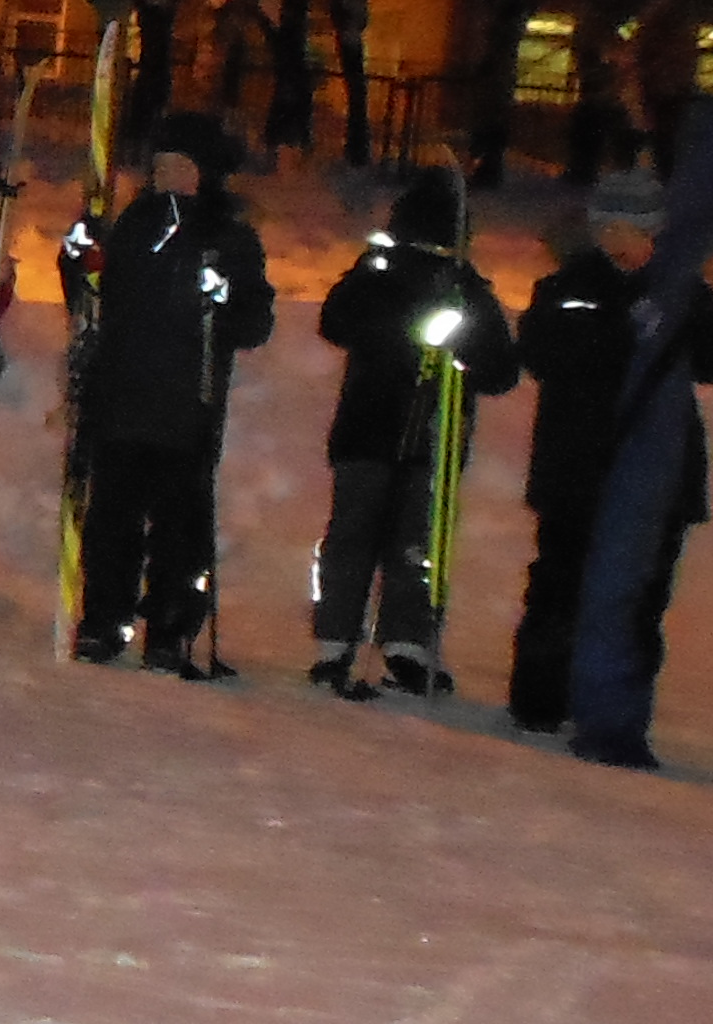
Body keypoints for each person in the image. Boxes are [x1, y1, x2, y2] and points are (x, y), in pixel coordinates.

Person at [502, 170, 713, 753]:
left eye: (636, 230)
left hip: (659, 473)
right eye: (611, 227)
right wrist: (630, 335)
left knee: (640, 597)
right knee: (562, 585)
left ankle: (616, 707)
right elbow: (543, 353)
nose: (623, 241)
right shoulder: (567, 286)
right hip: (578, 470)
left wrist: (682, 314)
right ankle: (541, 698)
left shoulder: (681, 289)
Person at [61, 111, 278, 673]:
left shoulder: (228, 236)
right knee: (113, 521)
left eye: (180, 166)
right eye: (160, 166)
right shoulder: (132, 224)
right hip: (122, 398)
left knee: (180, 528)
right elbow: (92, 297)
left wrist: (225, 298)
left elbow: (253, 323)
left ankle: (170, 626)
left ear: (204, 172)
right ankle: (104, 621)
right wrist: (77, 257)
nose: (167, 176)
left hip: (187, 405)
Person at [303, 164, 519, 697]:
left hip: (431, 441)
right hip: (371, 435)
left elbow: (499, 369)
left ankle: (401, 644)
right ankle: (341, 640)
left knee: (411, 546)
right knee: (361, 541)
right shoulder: (377, 276)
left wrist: (462, 345)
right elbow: (337, 323)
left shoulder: (465, 289)